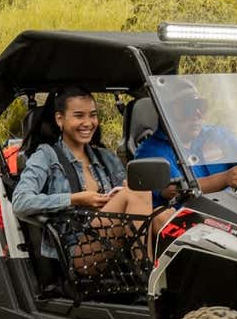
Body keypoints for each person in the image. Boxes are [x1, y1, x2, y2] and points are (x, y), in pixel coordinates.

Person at [12, 87, 168, 270]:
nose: (88, 122)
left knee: (165, 215)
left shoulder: (106, 157)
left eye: (92, 115)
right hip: (77, 252)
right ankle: (147, 273)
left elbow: (129, 197)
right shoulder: (46, 156)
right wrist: (75, 199)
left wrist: (118, 193)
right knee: (135, 192)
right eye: (79, 116)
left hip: (115, 243)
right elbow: (20, 202)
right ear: (59, 119)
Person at [134, 80, 237, 207]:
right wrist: (226, 178)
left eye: (200, 106)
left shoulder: (216, 134)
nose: (197, 114)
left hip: (231, 213)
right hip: (185, 227)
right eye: (187, 108)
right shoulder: (150, 152)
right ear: (167, 113)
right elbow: (176, 190)